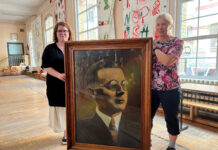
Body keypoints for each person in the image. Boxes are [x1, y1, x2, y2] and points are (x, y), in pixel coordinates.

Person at [76, 59, 141, 148]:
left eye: (124, 84)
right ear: (92, 92)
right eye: (113, 86)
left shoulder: (139, 126)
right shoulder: (79, 128)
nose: (121, 91)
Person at [151, 13, 184, 150]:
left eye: (164, 24)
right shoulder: (152, 43)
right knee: (147, 116)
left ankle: (171, 146)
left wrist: (155, 48)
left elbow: (166, 62)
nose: (160, 27)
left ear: (170, 25)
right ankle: (147, 140)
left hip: (170, 88)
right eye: (158, 24)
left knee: (171, 118)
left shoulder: (177, 42)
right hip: (152, 88)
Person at [41, 22, 72, 145]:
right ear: (56, 33)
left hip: (73, 84)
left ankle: (73, 133)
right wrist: (59, 75)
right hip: (56, 85)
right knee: (62, 109)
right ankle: (66, 133)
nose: (63, 33)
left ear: (69, 33)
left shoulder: (74, 46)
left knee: (72, 108)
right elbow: (46, 66)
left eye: (65, 31)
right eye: (60, 31)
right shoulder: (50, 49)